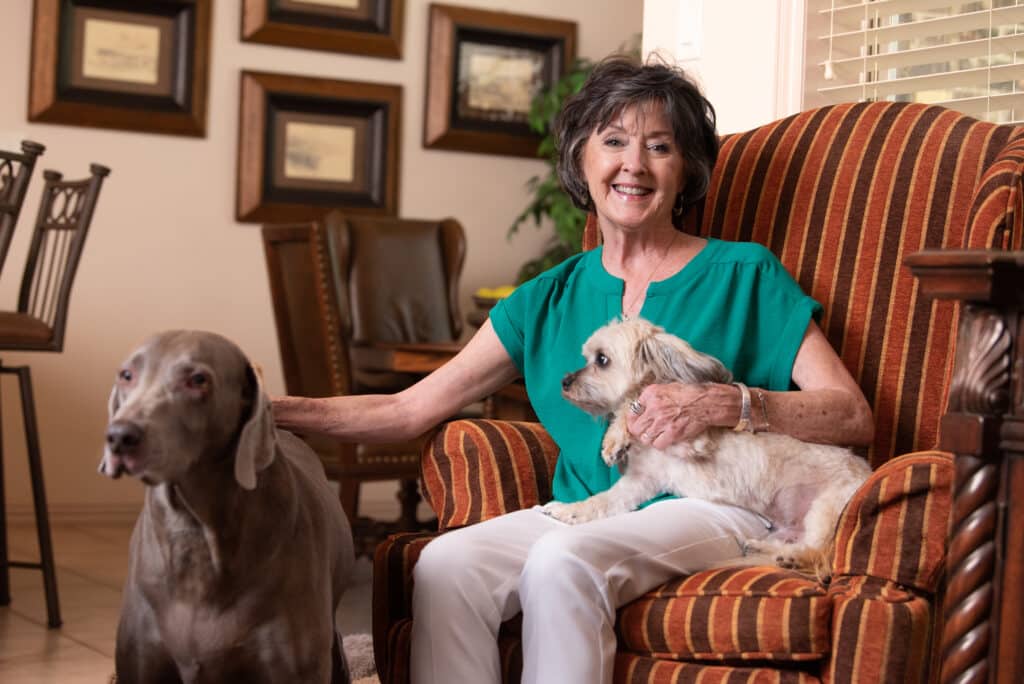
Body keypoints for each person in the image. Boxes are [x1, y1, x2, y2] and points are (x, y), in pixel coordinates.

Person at [272, 56, 874, 684]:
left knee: (562, 560)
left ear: (686, 169)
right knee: (445, 565)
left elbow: (851, 413)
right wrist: (270, 412)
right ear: (581, 160)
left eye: (659, 146)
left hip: (719, 500)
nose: (633, 164)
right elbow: (406, 410)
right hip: (593, 506)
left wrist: (725, 404)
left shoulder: (745, 273)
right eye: (613, 141)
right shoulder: (546, 297)